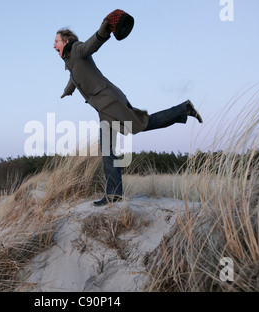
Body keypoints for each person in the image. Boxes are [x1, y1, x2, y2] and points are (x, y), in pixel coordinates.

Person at [54, 21, 203, 206]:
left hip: (110, 101)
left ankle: (183, 109)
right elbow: (74, 78)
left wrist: (104, 30)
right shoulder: (70, 61)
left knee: (141, 125)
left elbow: (90, 45)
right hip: (104, 107)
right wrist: (67, 91)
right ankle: (114, 194)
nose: (54, 45)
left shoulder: (76, 49)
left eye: (56, 41)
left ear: (66, 41)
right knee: (108, 150)